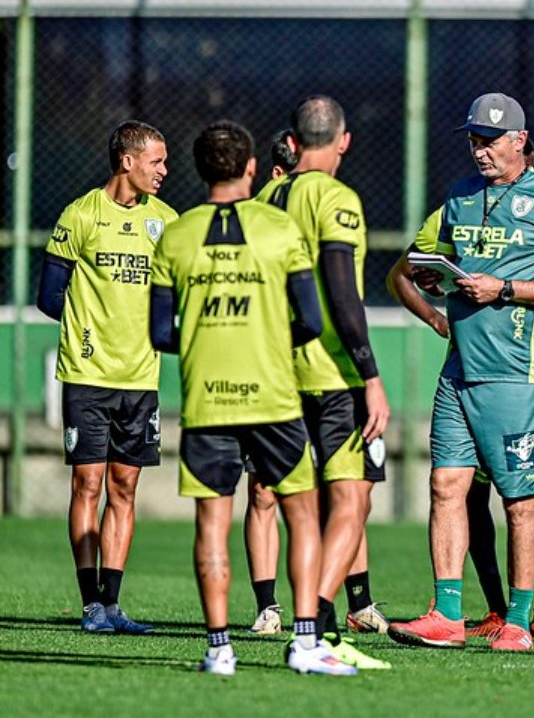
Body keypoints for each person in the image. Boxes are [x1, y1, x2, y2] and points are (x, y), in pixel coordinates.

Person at [387, 93, 534, 652]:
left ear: (519, 141)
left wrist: (506, 288)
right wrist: (437, 285)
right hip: (459, 371)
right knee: (445, 485)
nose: (479, 150)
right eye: (473, 139)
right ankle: (447, 614)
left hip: (517, 374)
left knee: (520, 500)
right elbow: (425, 268)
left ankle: (521, 622)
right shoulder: (457, 196)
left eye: (490, 140)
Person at [149, 120, 353, 676]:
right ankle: (307, 642)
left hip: (206, 402)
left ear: (198, 170)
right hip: (274, 399)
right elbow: (311, 319)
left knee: (211, 524)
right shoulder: (279, 229)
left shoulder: (176, 235)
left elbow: (160, 334)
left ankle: (219, 651)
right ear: (251, 169)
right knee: (302, 514)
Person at [258, 95, 392, 669]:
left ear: (292, 141)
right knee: (353, 499)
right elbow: (341, 292)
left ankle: (321, 630)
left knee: (297, 504)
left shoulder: (264, 199)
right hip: (329, 373)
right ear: (343, 140)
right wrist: (371, 376)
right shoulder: (336, 198)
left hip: (270, 373)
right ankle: (312, 630)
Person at [36, 121, 176, 634]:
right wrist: (88, 330)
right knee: (88, 483)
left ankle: (114, 605)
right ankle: (90, 603)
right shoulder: (81, 215)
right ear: (127, 161)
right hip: (88, 372)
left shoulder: (166, 221)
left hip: (141, 377)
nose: (164, 170)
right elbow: (49, 297)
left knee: (124, 486)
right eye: (156, 161)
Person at [243, 127, 304, 635]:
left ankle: (341, 605)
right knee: (263, 489)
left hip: (322, 371)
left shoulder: (334, 204)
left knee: (335, 490)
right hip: (267, 368)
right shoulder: (258, 213)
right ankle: (268, 606)